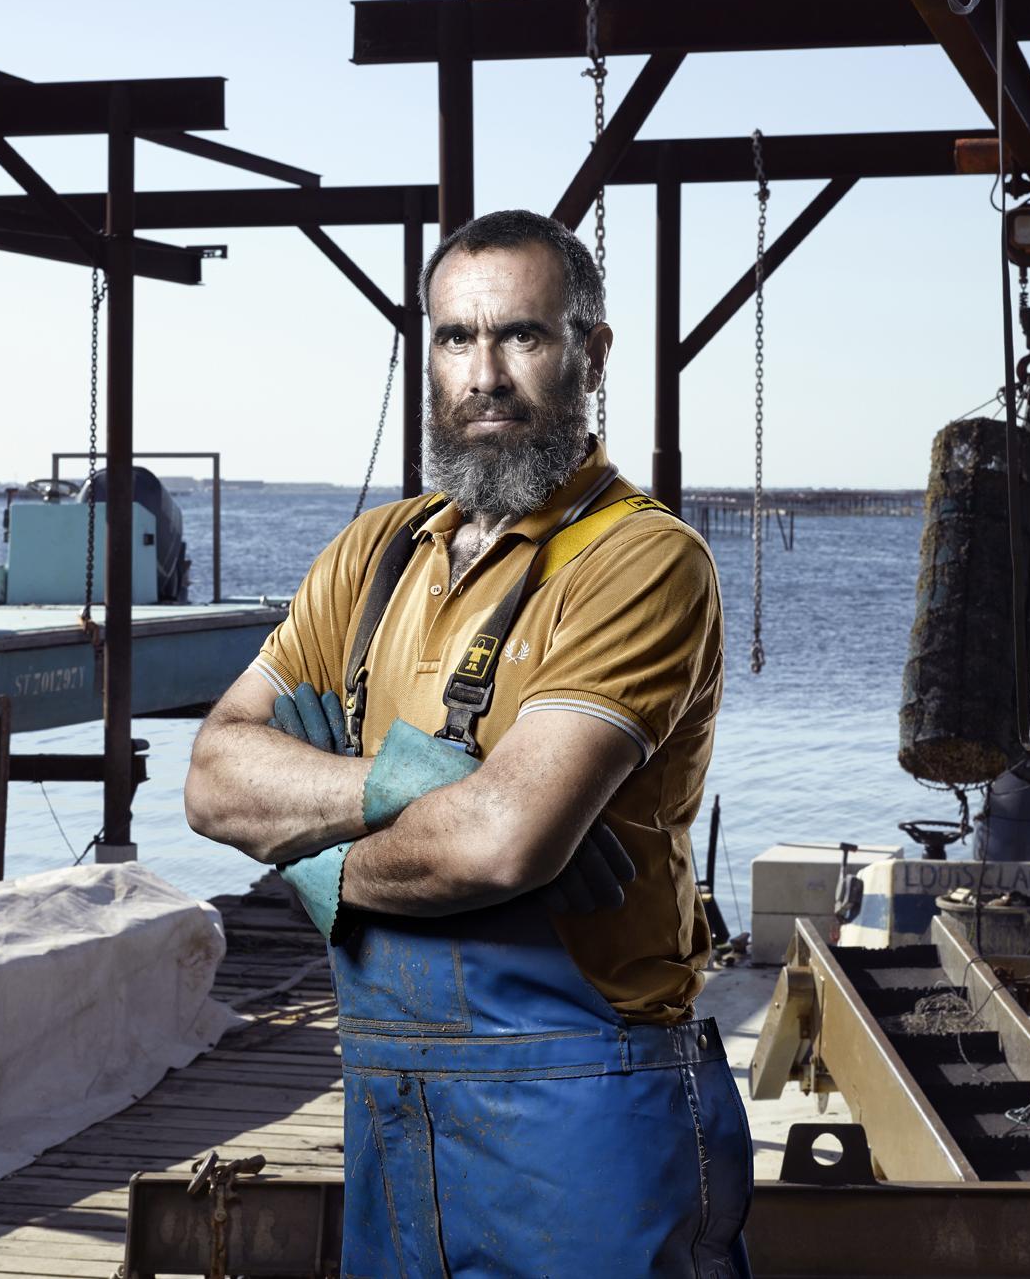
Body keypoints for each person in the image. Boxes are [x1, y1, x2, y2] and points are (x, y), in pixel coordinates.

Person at [185, 209, 751, 1277]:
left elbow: (502, 843)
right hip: (392, 1111)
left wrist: (309, 860)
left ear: (591, 351)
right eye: (456, 338)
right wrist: (417, 785)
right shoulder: (375, 554)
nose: (483, 373)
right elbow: (215, 777)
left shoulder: (641, 562)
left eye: (522, 336)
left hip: (588, 1121)